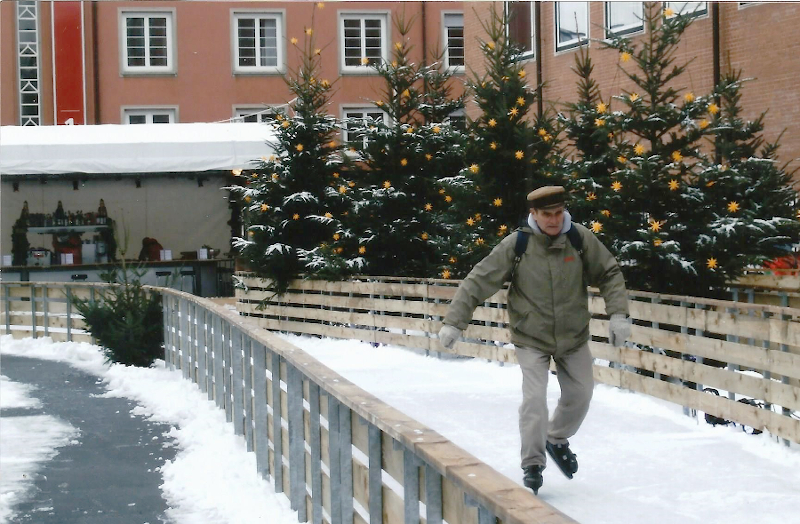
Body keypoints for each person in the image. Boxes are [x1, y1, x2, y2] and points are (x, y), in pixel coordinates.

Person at [437, 185, 630, 495]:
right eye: (546, 215)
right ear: (534, 214)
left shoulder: (579, 239)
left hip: (574, 336)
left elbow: (609, 272)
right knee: (534, 400)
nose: (553, 220)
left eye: (558, 213)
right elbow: (478, 280)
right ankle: (532, 463)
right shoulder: (519, 244)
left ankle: (555, 438)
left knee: (581, 394)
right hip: (532, 338)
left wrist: (619, 313)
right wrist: (453, 323)